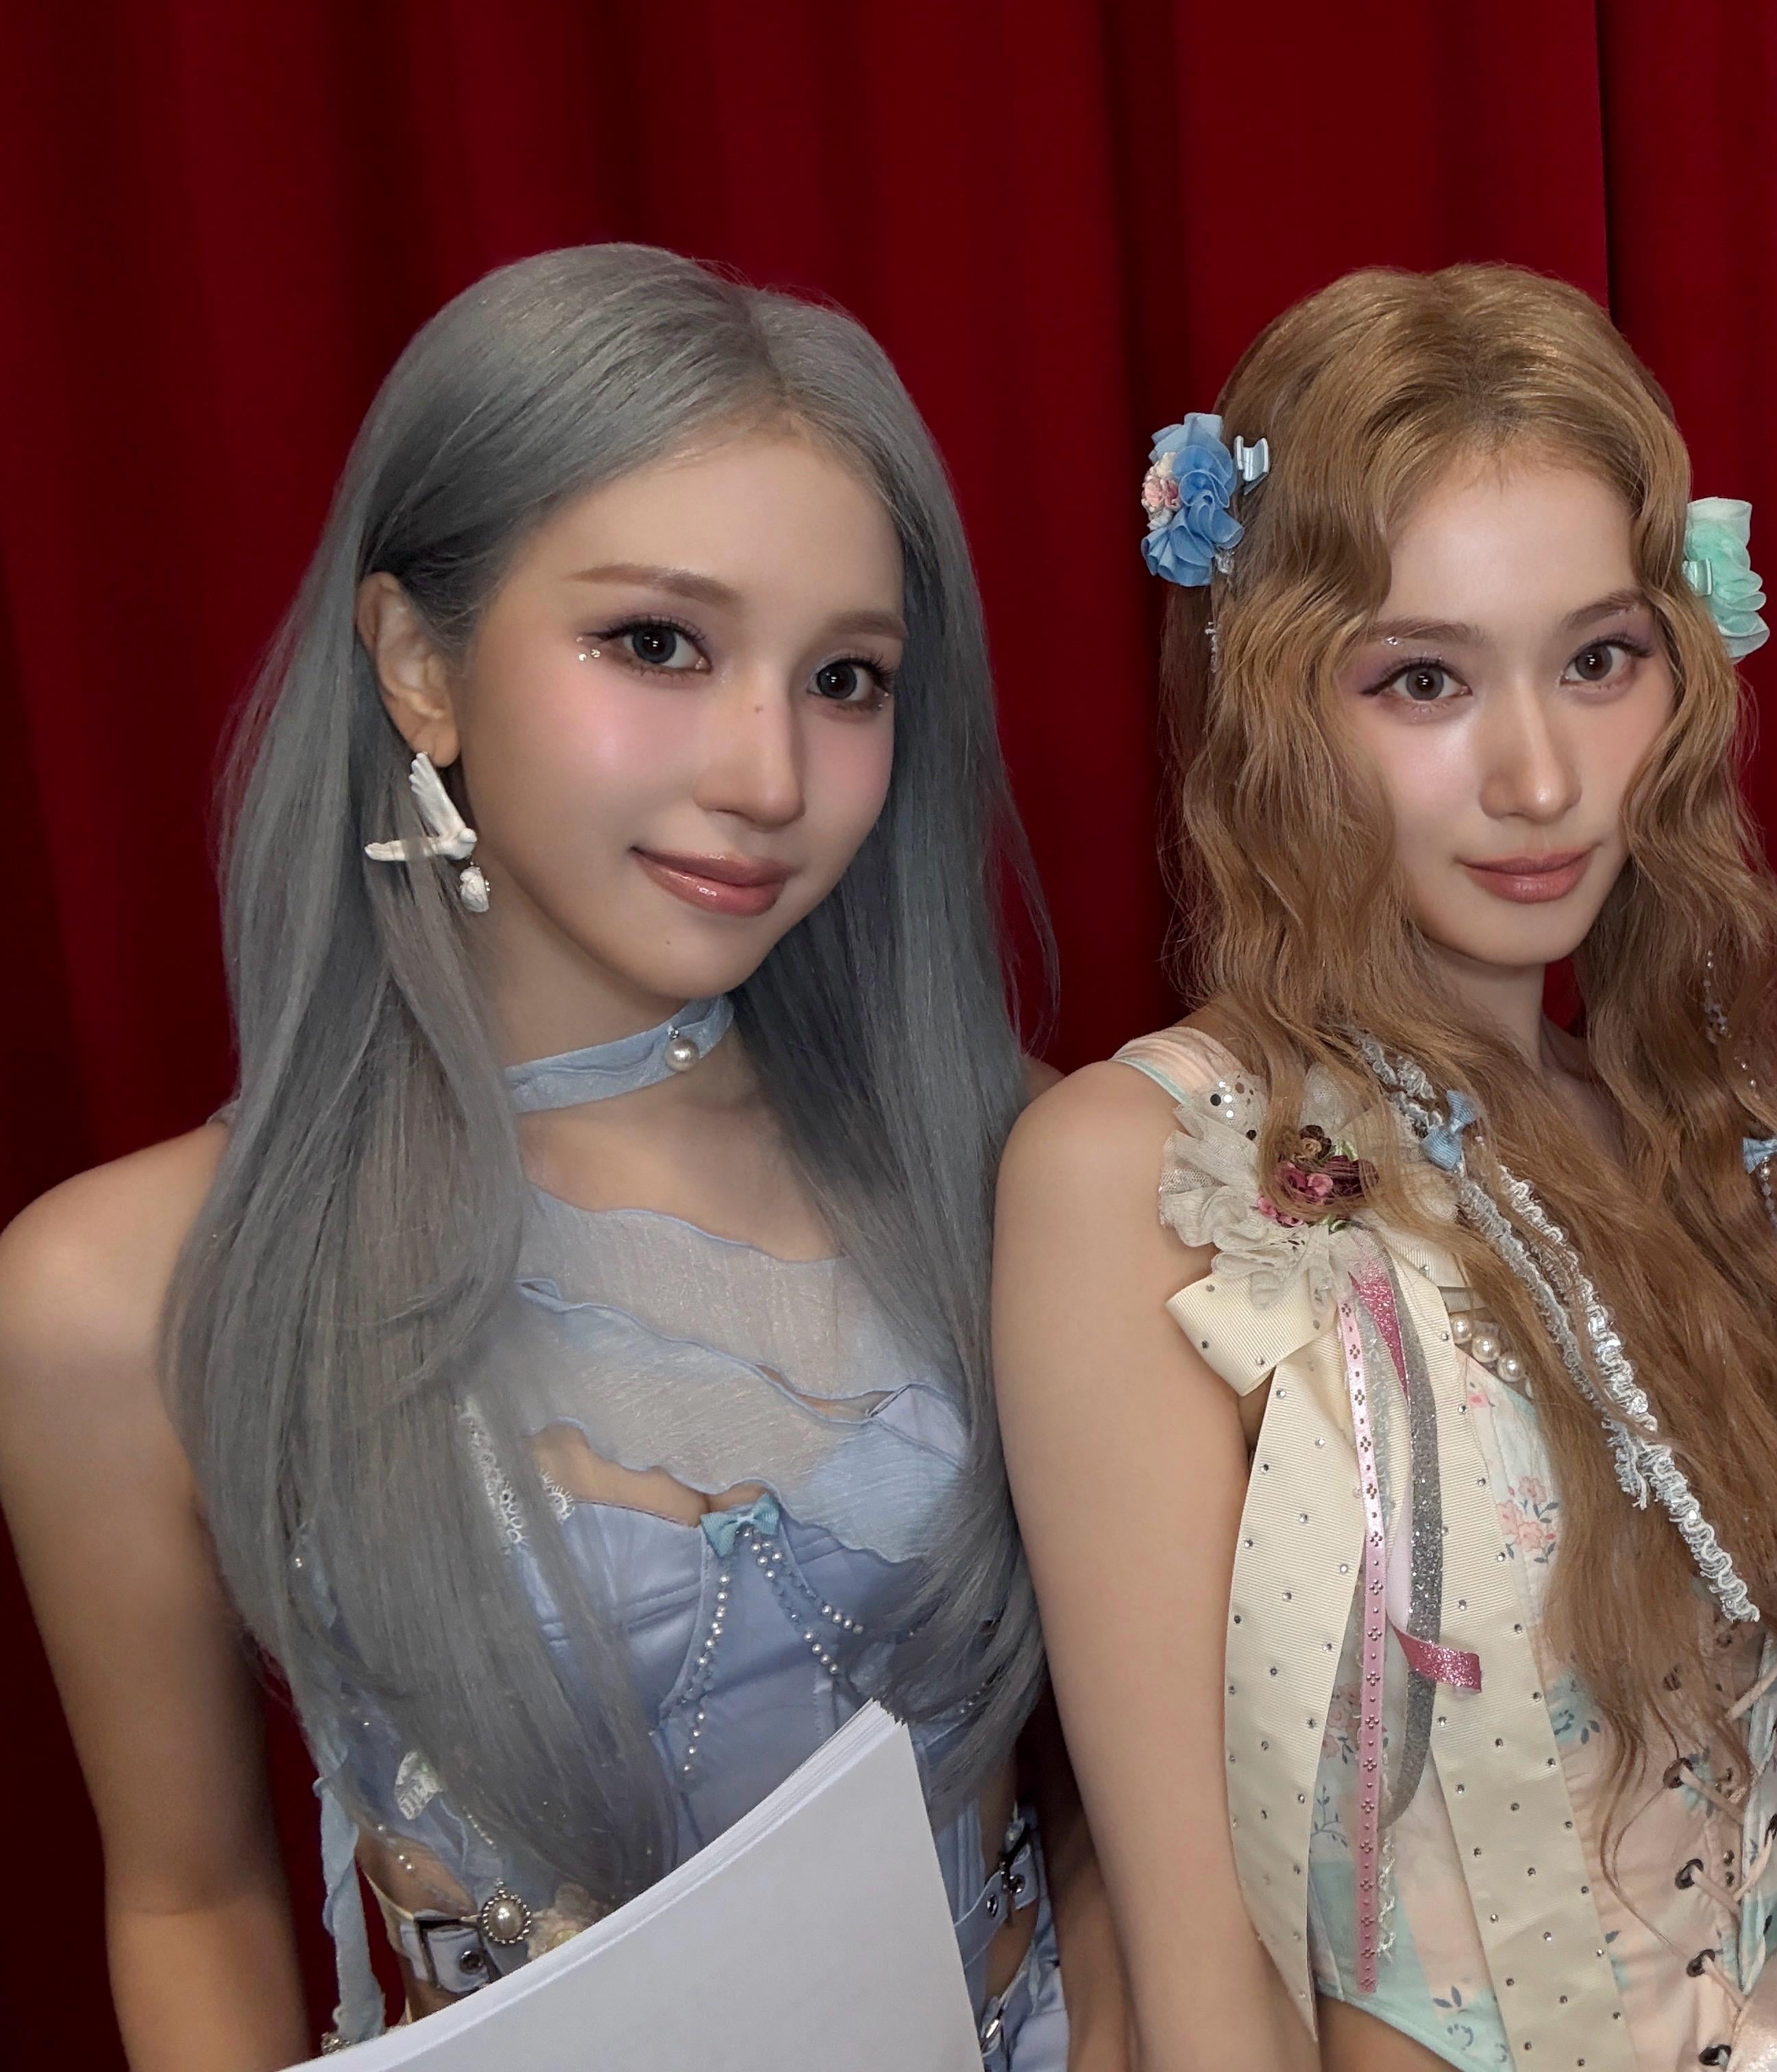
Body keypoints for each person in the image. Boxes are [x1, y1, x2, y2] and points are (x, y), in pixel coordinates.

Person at [0, 244, 1103, 2068]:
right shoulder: (119, 1296)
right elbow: (188, 1900)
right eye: (657, 643)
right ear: (418, 666)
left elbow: (1142, 1796)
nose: (769, 773)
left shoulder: (1022, 1168)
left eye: (846, 677)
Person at [996, 262, 1777, 2072]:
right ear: (1274, 704)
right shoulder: (1135, 1169)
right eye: (1423, 679)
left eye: (1599, 660)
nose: (1540, 777)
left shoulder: (1704, 1137)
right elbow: (1200, 1971)